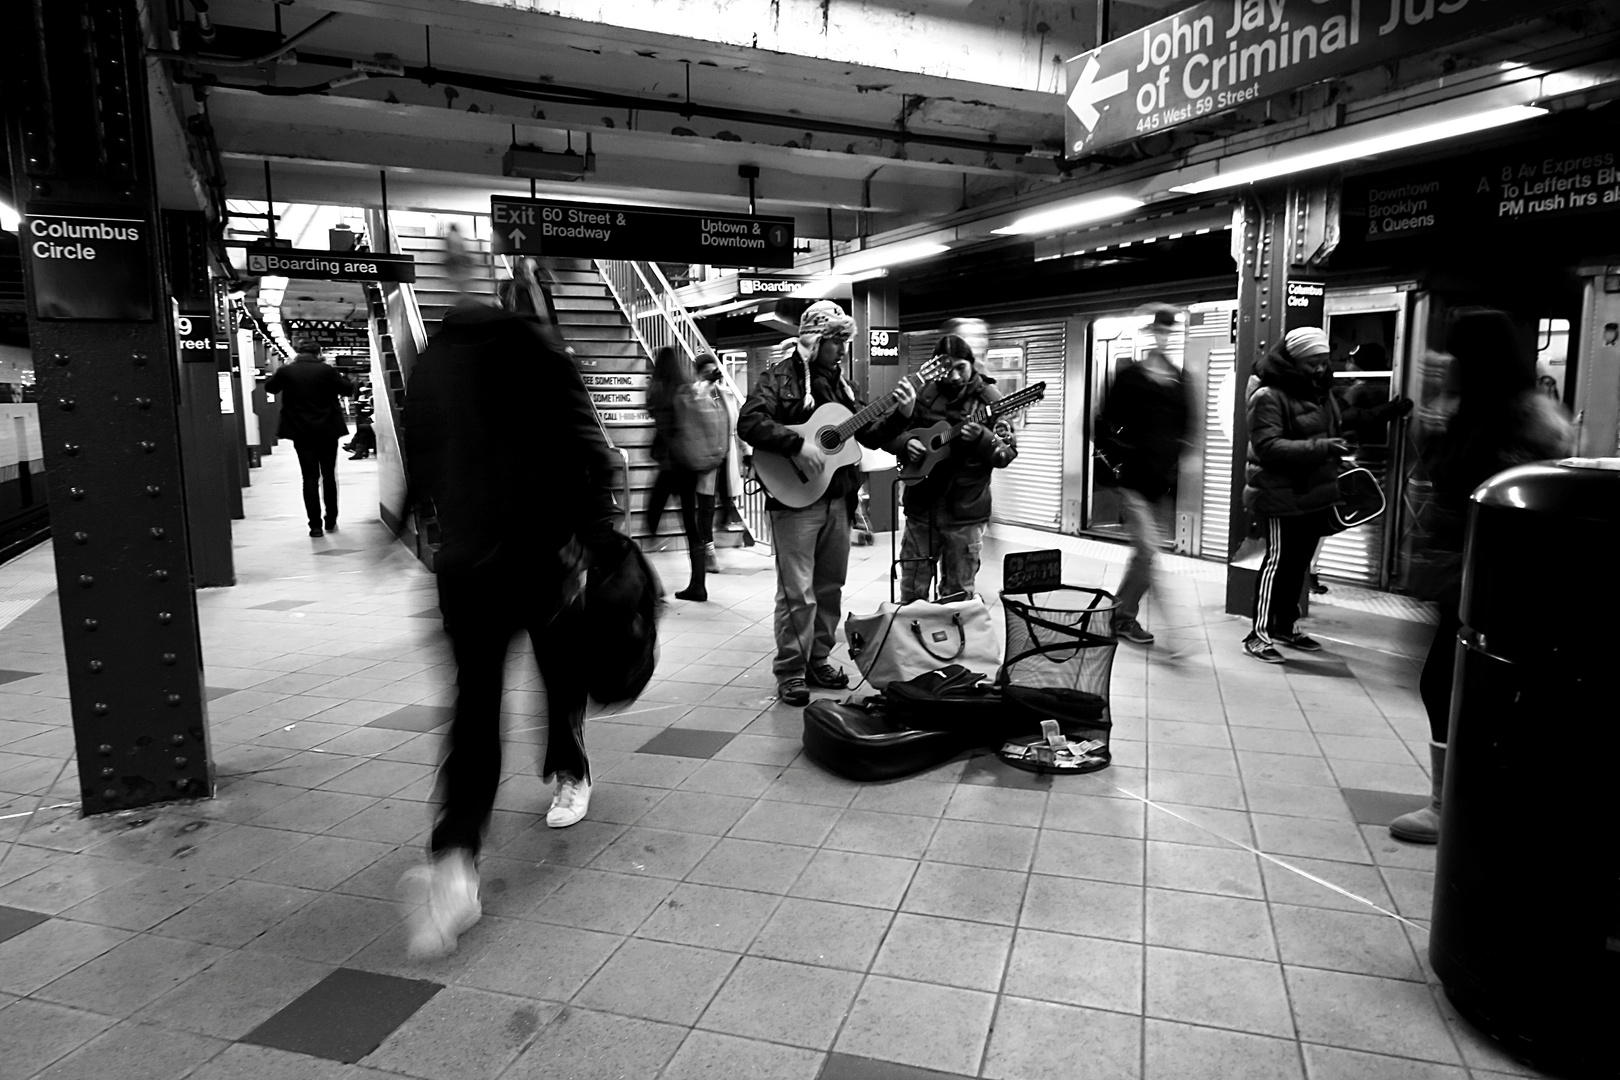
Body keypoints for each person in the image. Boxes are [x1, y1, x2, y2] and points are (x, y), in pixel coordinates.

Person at [400, 229, 624, 958]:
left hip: (539, 559)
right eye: (445, 264)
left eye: (461, 262)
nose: (455, 273)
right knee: (474, 711)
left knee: (553, 680)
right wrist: (412, 526)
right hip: (473, 568)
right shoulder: (434, 361)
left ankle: (571, 769)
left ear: (487, 275)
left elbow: (582, 448)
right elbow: (425, 455)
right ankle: (455, 861)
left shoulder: (531, 346)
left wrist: (588, 543)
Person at [1388, 310, 1571, 844]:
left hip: (1502, 581)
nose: (1444, 364)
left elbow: (1497, 496)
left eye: (1453, 355)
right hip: (1471, 579)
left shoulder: (1521, 422)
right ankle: (1464, 802)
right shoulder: (1481, 412)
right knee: (1452, 684)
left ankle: (1457, 807)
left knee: (1459, 685)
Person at [738, 300, 915, 706]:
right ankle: (790, 671)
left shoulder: (841, 385)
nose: (842, 349)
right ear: (814, 340)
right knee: (797, 592)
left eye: (844, 341)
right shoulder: (779, 377)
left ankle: (817, 659)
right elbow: (749, 422)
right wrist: (797, 443)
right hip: (794, 500)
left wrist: (901, 414)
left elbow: (865, 434)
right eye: (835, 340)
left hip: (838, 498)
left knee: (829, 587)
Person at [1241, 326, 1348, 664]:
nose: (1320, 368)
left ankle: (1285, 626)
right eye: (1312, 362)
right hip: (1279, 494)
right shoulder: (1268, 394)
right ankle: (1257, 635)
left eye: (1324, 361)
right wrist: (1322, 447)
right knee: (1277, 564)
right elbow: (1267, 446)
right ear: (1293, 361)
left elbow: (1330, 429)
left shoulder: (1320, 392)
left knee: (1298, 564)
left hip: (1313, 493)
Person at [892, 334, 1017, 603]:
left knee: (958, 592)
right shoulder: (922, 394)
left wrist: (983, 439)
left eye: (961, 367)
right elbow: (893, 431)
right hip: (921, 506)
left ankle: (953, 643)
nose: (954, 376)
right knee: (912, 588)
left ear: (971, 364)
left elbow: (1006, 453)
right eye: (946, 368)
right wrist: (906, 442)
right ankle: (912, 642)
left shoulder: (990, 399)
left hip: (965, 512)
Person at [1096, 304, 1191, 644]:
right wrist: (1122, 457)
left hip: (1161, 484)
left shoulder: (1180, 380)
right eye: (1160, 331)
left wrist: (1171, 461)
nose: (1165, 338)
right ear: (1150, 333)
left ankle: (1120, 614)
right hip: (1133, 481)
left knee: (1145, 553)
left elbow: (1187, 428)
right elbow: (1103, 423)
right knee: (1149, 550)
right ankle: (1123, 616)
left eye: (1171, 332)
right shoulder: (1129, 378)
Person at [266, 345, 356, 537]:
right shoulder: (327, 371)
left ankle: (315, 526)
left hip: (301, 431)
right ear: (319, 354)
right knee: (329, 475)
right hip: (327, 430)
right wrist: (344, 377)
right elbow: (348, 390)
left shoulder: (286, 371)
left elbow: (270, 388)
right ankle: (330, 519)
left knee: (309, 477)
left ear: (298, 353)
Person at [645, 346, 709, 601]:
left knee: (651, 519)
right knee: (691, 524)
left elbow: (657, 419)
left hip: (671, 466)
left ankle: (651, 584)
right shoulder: (687, 388)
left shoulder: (659, 389)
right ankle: (698, 584)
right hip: (689, 464)